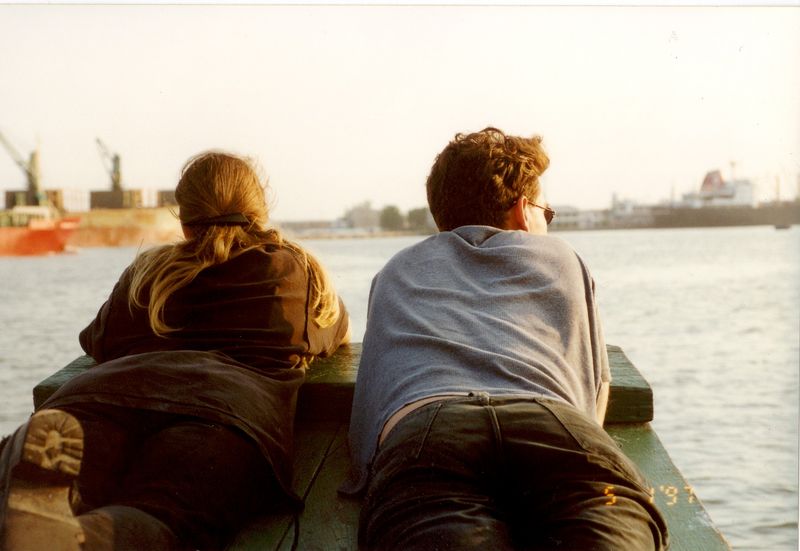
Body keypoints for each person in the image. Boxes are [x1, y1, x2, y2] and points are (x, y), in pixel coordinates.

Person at [0, 151, 350, 550]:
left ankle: (36, 504)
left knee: (67, 481)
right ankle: (82, 538)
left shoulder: (147, 271)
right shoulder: (292, 270)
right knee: (166, 511)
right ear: (259, 212)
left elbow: (97, 339)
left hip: (98, 397)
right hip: (221, 412)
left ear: (183, 221)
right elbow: (332, 329)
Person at [343, 127, 669, 550]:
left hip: (429, 433)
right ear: (522, 211)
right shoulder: (562, 258)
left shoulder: (397, 269)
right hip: (553, 424)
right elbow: (595, 395)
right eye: (546, 213)